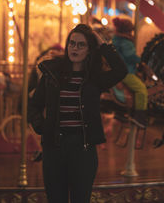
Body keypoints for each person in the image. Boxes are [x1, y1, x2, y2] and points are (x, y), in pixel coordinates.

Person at [28, 23, 127, 203]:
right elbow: (33, 105)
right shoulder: (52, 74)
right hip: (54, 147)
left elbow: (121, 70)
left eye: (81, 45)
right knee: (55, 198)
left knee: (81, 198)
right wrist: (40, 125)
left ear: (89, 50)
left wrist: (101, 43)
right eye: (72, 43)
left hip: (82, 148)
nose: (74, 48)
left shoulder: (94, 78)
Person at [112, 17, 148, 129]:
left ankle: (122, 112)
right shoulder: (126, 42)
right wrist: (141, 61)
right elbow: (130, 56)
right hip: (126, 71)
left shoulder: (116, 40)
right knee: (142, 89)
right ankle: (139, 117)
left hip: (118, 69)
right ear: (127, 31)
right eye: (130, 31)